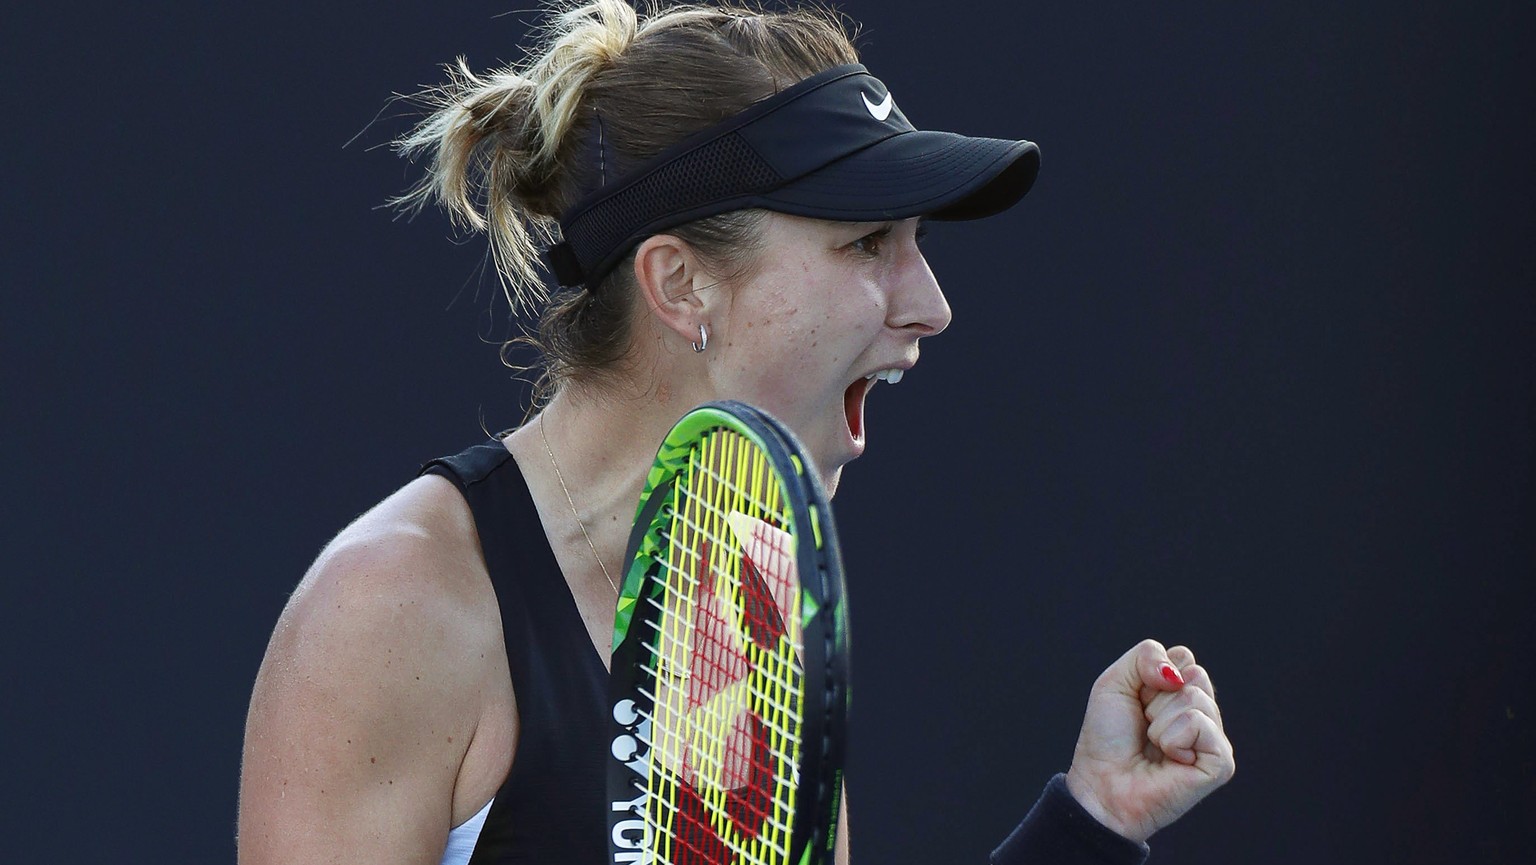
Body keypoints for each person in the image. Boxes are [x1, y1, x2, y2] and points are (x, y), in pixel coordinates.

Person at [236, 2, 1235, 863]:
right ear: (681, 283)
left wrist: (1092, 824)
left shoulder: (750, 592)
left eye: (916, 244)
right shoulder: (394, 609)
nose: (930, 303)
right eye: (867, 242)